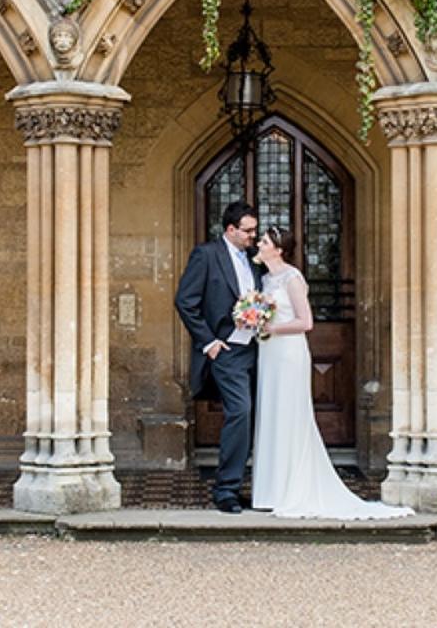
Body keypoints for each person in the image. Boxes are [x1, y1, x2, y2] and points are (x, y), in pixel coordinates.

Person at [249, 226, 413, 520]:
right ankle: (269, 490)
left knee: (289, 414)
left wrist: (272, 327)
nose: (258, 244)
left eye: (263, 241)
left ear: (278, 249)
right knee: (271, 412)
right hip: (269, 354)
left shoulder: (292, 278)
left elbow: (306, 321)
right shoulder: (264, 279)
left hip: (288, 352)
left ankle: (291, 489)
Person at [174, 201, 264, 513]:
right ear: (230, 229)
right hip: (226, 351)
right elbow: (185, 301)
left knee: (255, 417)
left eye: (254, 230)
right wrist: (208, 342)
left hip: (257, 349)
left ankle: (251, 486)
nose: (253, 236)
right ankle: (225, 490)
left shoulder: (255, 259)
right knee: (240, 412)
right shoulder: (207, 255)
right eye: (247, 231)